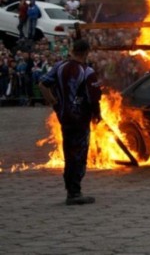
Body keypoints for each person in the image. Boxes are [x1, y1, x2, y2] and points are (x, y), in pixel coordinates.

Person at [38, 39, 102, 205]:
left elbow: (42, 85)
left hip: (64, 117)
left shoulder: (59, 67)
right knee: (79, 154)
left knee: (69, 152)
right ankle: (75, 192)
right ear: (86, 52)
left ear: (73, 50)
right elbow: (93, 98)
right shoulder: (87, 71)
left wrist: (55, 103)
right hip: (80, 119)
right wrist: (97, 115)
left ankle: (71, 190)